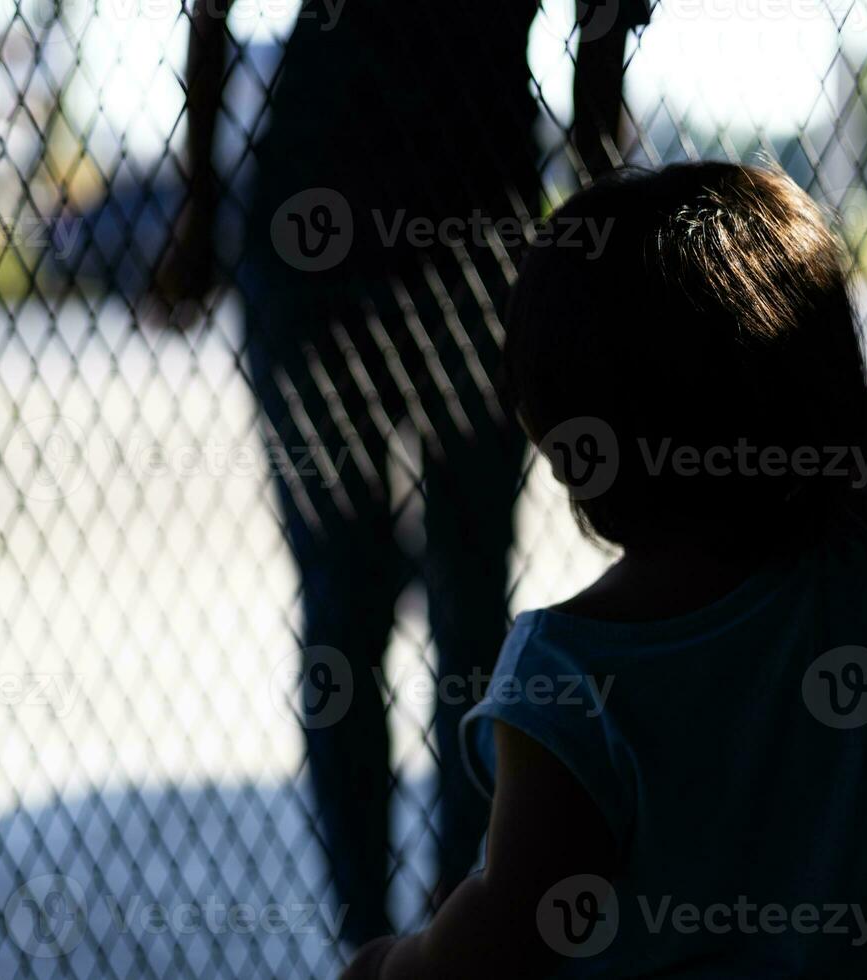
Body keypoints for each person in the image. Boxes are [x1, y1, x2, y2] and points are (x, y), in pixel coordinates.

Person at [341, 162, 867, 977]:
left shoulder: (568, 677)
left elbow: (513, 930)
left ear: (562, 451)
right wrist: (800, 374)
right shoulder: (845, 576)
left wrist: (392, 963)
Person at [154, 0, 653, 949]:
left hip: (374, 209)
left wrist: (203, 201)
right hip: (427, 209)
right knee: (419, 597)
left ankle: (429, 926)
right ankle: (404, 931)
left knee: (402, 598)